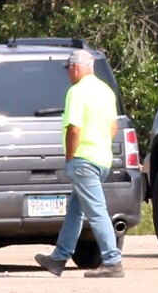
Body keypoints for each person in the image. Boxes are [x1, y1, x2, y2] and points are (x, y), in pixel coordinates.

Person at [34, 49, 125, 278]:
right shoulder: (106, 91)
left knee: (97, 211)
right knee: (76, 210)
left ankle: (113, 261)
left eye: (68, 70)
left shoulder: (76, 92)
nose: (68, 75)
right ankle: (59, 258)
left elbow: (73, 128)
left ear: (75, 67)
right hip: (102, 158)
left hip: (83, 159)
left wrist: (70, 158)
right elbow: (114, 126)